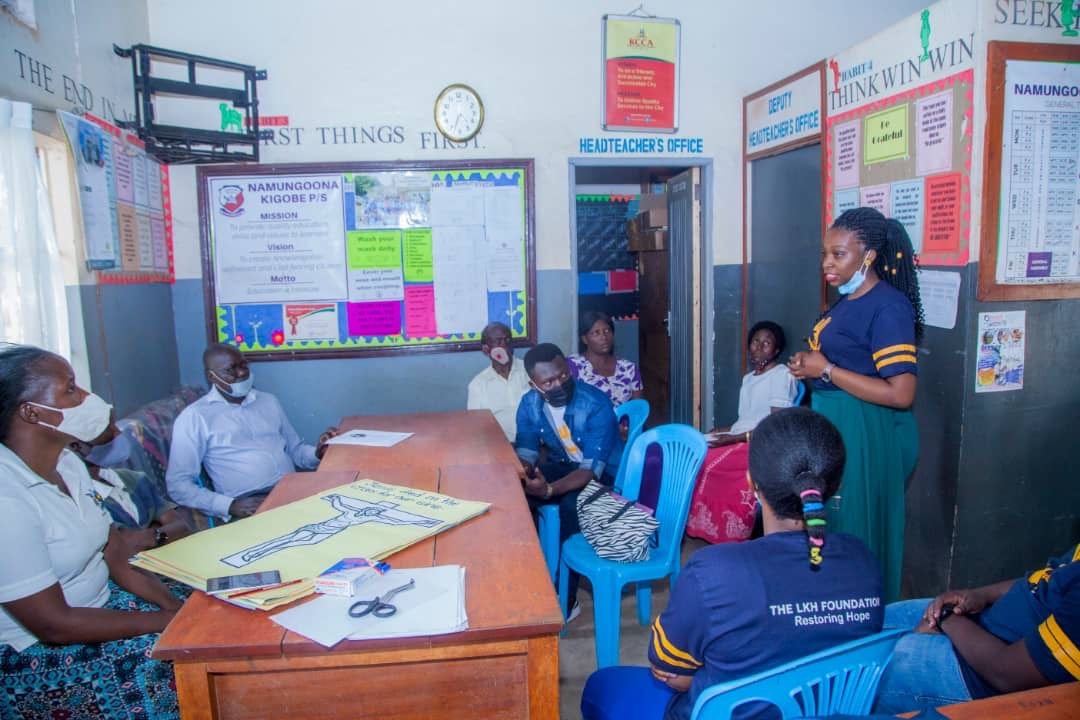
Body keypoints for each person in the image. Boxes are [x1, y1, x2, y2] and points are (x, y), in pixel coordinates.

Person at [580, 408, 883, 720]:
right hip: (828, 711)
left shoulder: (713, 573)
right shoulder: (864, 561)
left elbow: (666, 668)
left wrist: (694, 677)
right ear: (836, 485)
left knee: (601, 686)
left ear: (751, 482)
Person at [0, 344, 187, 719]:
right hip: (31, 651)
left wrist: (175, 608)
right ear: (32, 412)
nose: (87, 398)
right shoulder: (8, 499)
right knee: (169, 663)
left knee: (209, 607)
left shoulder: (68, 463)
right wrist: (168, 624)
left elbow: (114, 552)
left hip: (99, 604)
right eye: (71, 389)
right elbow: (53, 624)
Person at [788, 206, 922, 602]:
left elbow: (902, 393)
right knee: (833, 519)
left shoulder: (888, 307)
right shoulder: (847, 302)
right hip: (837, 421)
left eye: (838, 254)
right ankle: (832, 606)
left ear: (869, 256)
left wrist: (826, 369)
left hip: (866, 429)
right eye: (825, 254)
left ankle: (860, 613)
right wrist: (809, 367)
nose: (827, 264)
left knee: (855, 524)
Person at [875, 544, 1079, 712]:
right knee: (867, 621)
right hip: (977, 625)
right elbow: (1043, 579)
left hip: (978, 678)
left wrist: (945, 618)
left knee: (861, 670)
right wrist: (980, 595)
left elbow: (1007, 674)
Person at [166, 344, 337, 520]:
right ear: (212, 377)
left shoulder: (268, 401)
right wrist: (229, 505)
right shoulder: (195, 417)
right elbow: (178, 485)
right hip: (249, 502)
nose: (241, 373)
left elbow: (296, 452)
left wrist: (318, 452)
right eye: (230, 370)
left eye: (243, 365)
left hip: (292, 489)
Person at [516, 343, 623, 617]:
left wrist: (549, 489)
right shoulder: (529, 404)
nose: (558, 384)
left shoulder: (596, 404)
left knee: (570, 507)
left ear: (569, 369)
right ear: (534, 384)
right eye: (548, 381)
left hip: (606, 475)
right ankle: (530, 574)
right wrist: (526, 475)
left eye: (562, 376)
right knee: (512, 497)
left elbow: (589, 471)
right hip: (564, 465)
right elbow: (527, 453)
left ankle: (566, 598)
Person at [686, 321, 799, 544]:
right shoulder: (749, 379)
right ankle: (696, 524)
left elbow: (775, 426)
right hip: (741, 435)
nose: (759, 347)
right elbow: (747, 419)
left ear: (776, 350)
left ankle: (726, 530)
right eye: (755, 342)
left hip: (761, 444)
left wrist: (736, 437)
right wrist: (725, 430)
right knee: (691, 448)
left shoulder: (782, 375)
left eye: (767, 343)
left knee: (707, 461)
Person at [70, 419, 193, 551]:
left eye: (114, 426)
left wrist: (155, 536)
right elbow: (122, 547)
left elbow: (181, 526)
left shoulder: (134, 479)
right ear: (76, 446)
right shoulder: (79, 499)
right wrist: (157, 530)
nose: (117, 433)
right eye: (105, 430)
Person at [466, 322, 531, 443]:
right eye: (498, 341)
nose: (505, 345)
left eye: (508, 340)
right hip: (500, 447)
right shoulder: (478, 385)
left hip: (537, 445)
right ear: (486, 349)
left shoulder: (530, 370)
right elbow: (476, 428)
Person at [568, 311, 644, 408]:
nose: (604, 337)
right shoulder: (572, 365)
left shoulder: (629, 368)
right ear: (584, 339)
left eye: (607, 331)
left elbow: (638, 409)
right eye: (596, 333)